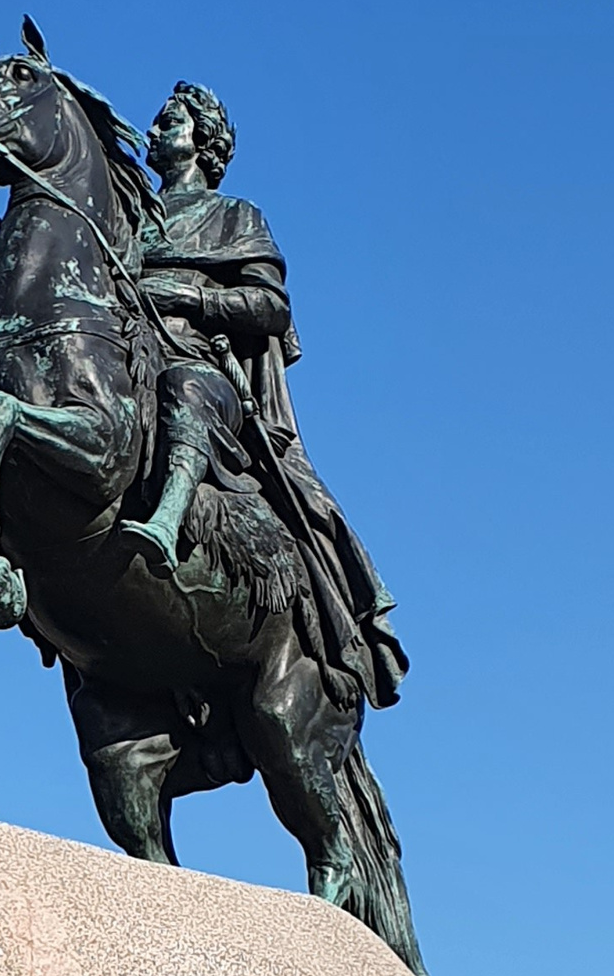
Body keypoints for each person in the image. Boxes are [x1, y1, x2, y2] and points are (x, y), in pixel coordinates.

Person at [115, 83, 406, 717]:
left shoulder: (235, 217)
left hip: (202, 372)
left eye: (171, 120)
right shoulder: (127, 214)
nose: (155, 127)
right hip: (126, 361)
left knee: (184, 389)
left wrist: (192, 298)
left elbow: (272, 308)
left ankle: (167, 520)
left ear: (205, 141)